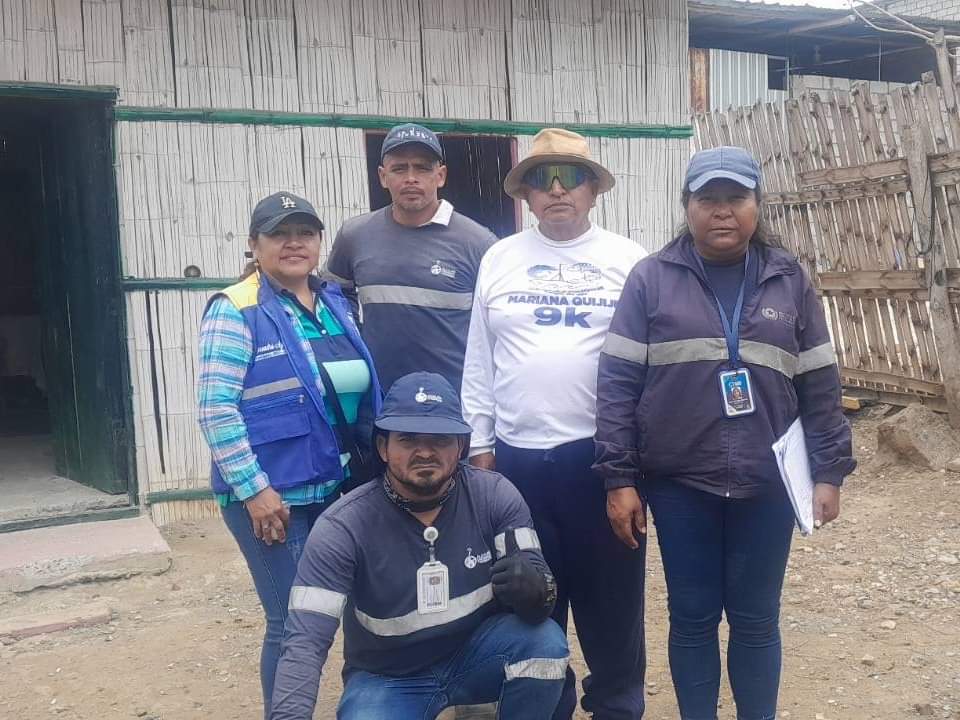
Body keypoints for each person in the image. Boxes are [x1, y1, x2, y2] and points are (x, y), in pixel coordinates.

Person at [594, 146, 856, 720]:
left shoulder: (789, 279)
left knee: (757, 619)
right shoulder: (651, 279)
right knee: (692, 618)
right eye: (708, 198)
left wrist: (829, 471)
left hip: (767, 482)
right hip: (680, 482)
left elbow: (819, 383)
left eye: (736, 198)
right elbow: (616, 385)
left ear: (757, 204)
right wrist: (619, 477)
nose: (722, 211)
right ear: (686, 205)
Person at [461, 128, 648, 719]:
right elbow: (479, 359)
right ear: (527, 194)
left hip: (600, 458)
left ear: (593, 189)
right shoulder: (500, 258)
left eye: (572, 177)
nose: (558, 189)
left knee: (613, 598)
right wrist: (481, 449)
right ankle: (550, 705)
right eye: (543, 178)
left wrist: (631, 469)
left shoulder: (629, 260)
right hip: (516, 460)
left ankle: (618, 706)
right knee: (530, 595)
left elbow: (648, 368)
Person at [270, 371, 568, 719]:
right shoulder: (343, 526)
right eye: (408, 439)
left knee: (545, 645)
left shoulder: (494, 496)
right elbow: (305, 642)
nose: (425, 451)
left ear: (461, 447)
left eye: (440, 439)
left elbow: (542, 592)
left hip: (477, 657)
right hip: (387, 678)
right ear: (383, 448)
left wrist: (537, 590)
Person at [197, 191, 382, 719]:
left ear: (319, 242)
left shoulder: (335, 303)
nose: (294, 243)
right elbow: (216, 410)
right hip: (273, 498)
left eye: (305, 233)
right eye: (279, 234)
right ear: (254, 245)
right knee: (292, 622)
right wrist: (254, 490)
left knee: (357, 610)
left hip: (339, 489)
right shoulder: (236, 309)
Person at [322, 123, 497, 391]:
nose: (411, 178)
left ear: (440, 176)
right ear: (383, 176)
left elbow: (499, 324)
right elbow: (331, 298)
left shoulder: (479, 243)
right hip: (379, 397)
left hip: (454, 400)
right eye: (399, 168)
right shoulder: (354, 235)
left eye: (422, 168)